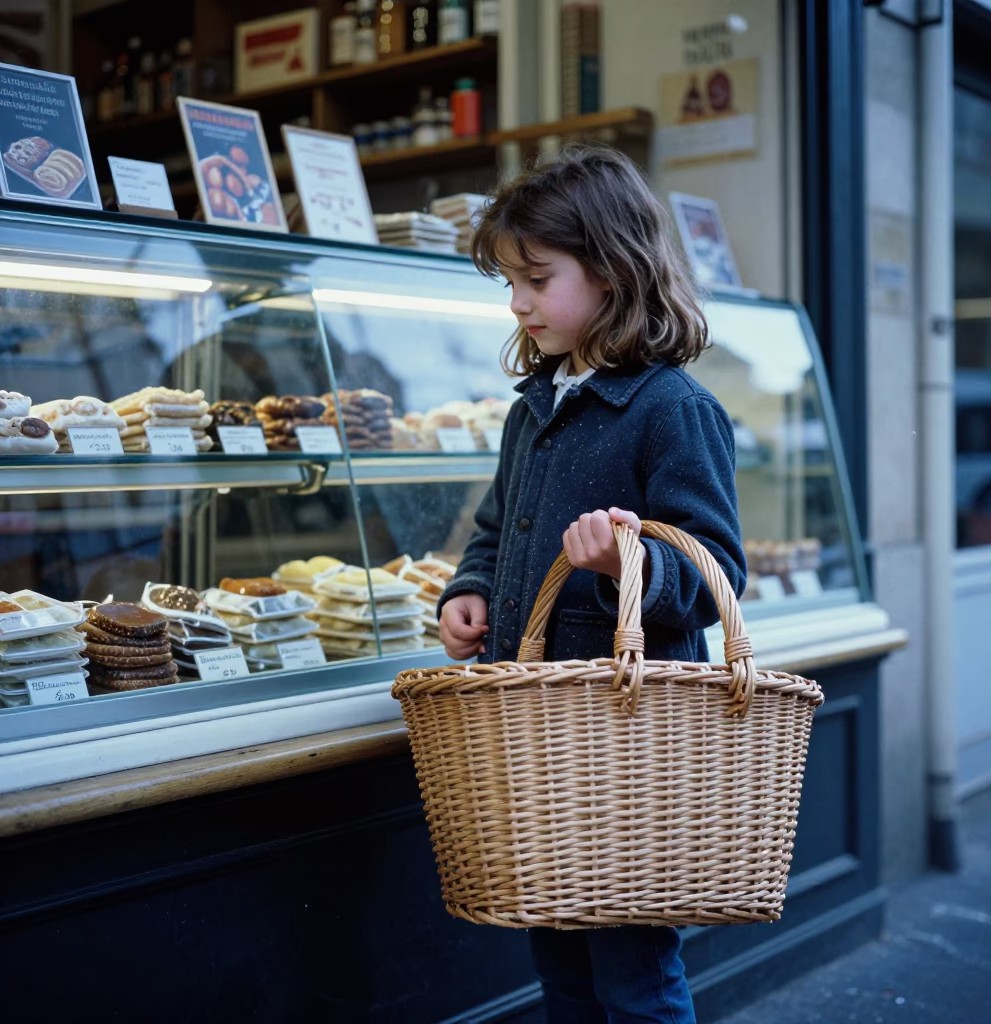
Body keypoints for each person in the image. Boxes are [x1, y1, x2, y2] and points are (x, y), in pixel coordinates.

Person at [436, 144, 746, 1024]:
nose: (518, 301)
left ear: (613, 271)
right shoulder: (532, 407)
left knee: (636, 976)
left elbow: (718, 568)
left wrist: (627, 570)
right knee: (561, 964)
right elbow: (497, 531)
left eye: (537, 276)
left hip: (627, 746)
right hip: (539, 745)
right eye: (508, 280)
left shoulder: (672, 409)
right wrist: (471, 593)